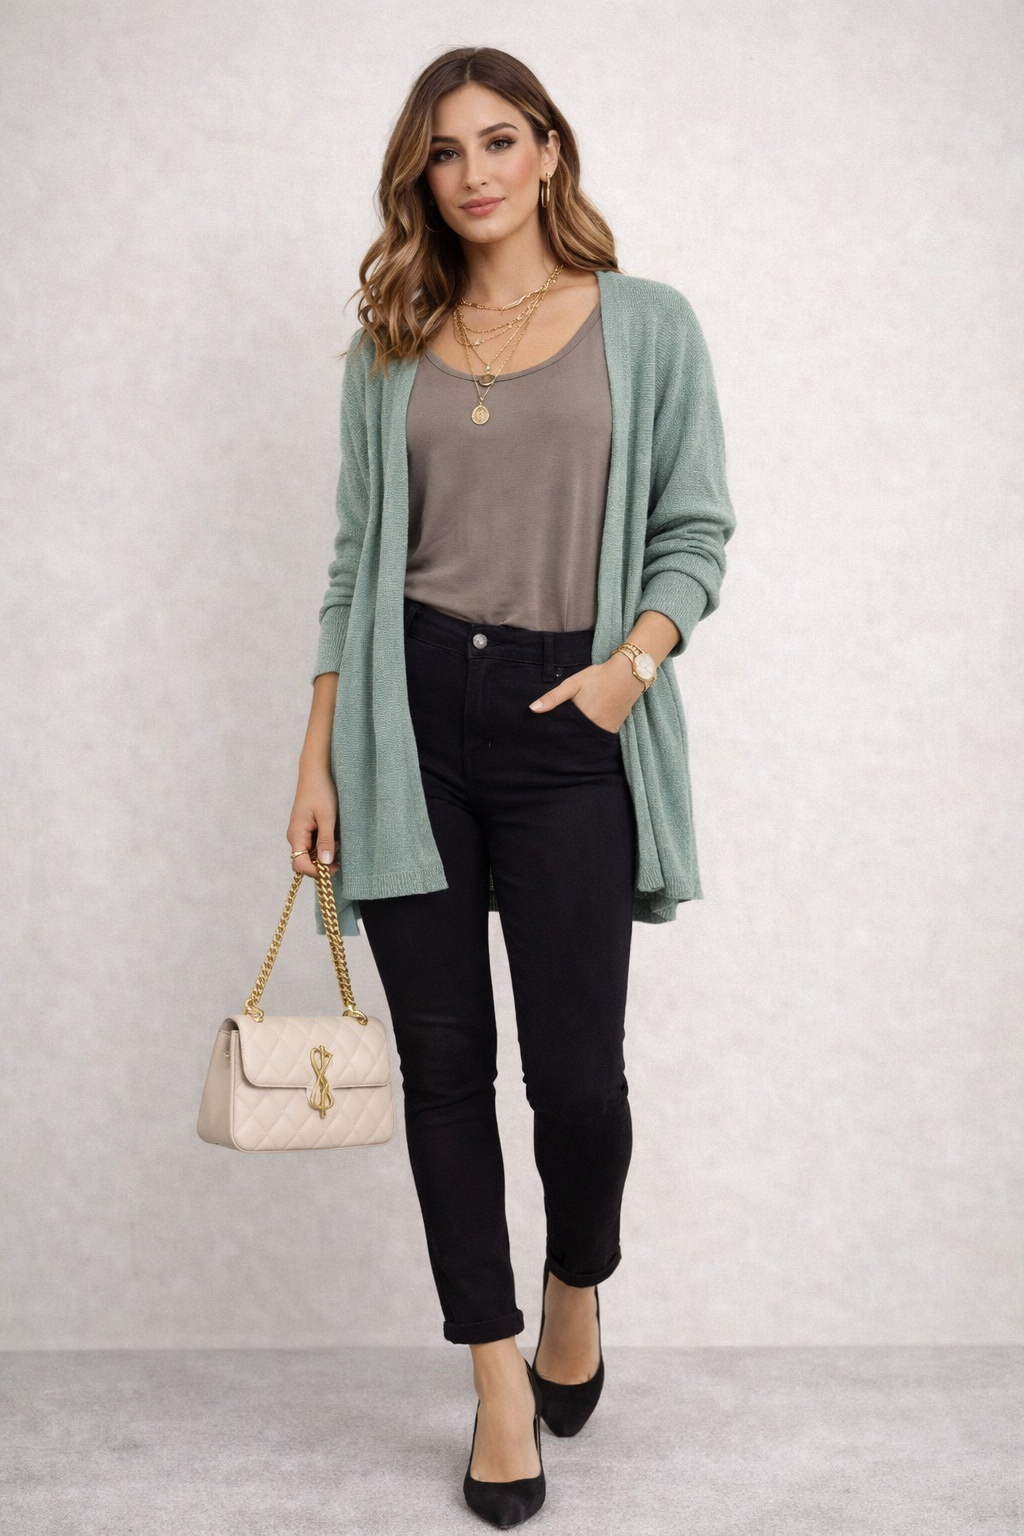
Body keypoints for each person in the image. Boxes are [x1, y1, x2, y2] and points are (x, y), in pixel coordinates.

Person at [287, 45, 735, 1528]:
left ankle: (575, 1283)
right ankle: (493, 1378)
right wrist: (319, 759)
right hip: (406, 720)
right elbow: (356, 561)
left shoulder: (647, 325)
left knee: (578, 1079)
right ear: (419, 178)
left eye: (496, 140)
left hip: (568, 722)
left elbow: (693, 531)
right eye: (442, 151)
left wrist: (626, 673)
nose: (471, 172)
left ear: (548, 149)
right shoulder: (392, 339)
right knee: (444, 1072)